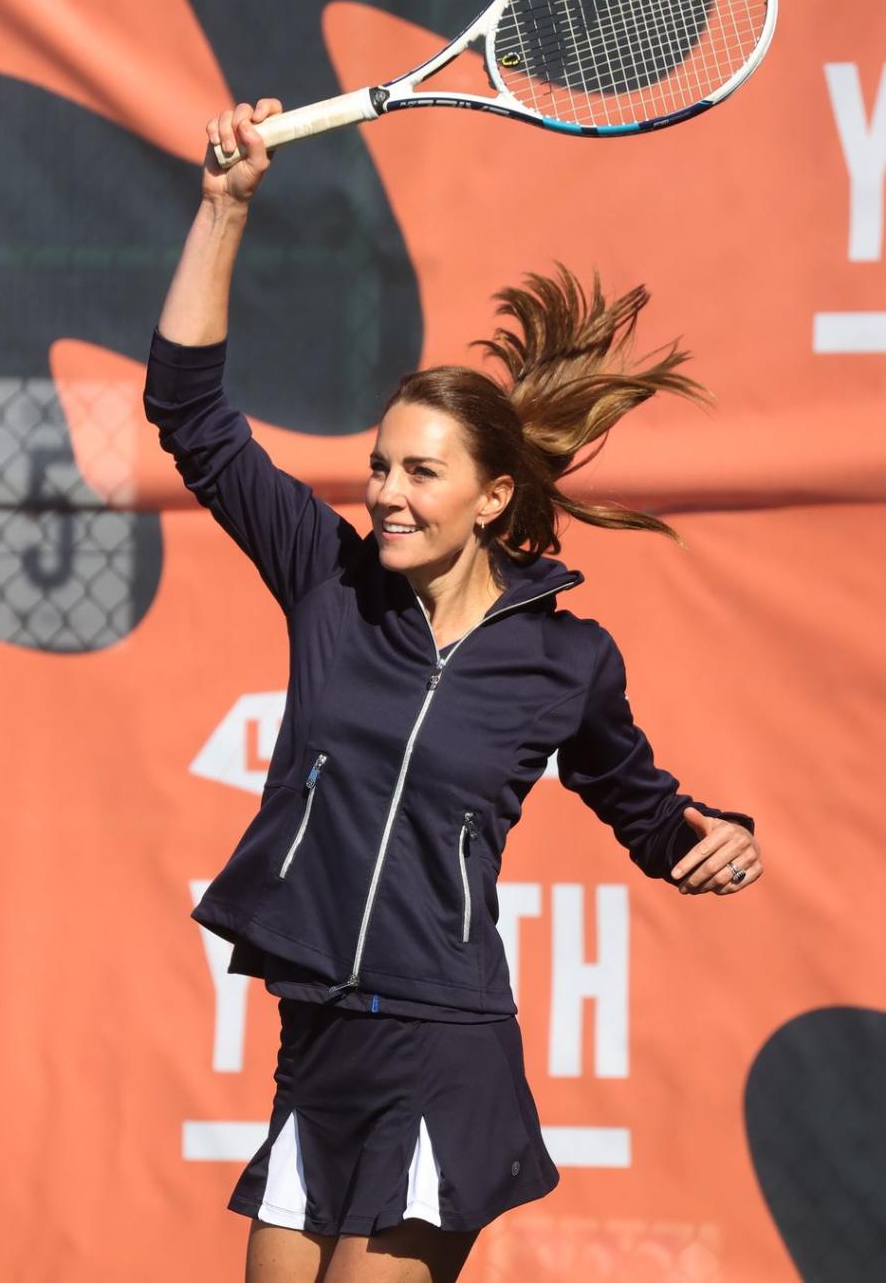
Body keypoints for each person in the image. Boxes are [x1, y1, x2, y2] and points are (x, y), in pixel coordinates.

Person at [144, 100, 763, 1283]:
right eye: (379, 465)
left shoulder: (565, 659)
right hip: (315, 1036)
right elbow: (188, 410)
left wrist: (713, 837)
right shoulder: (329, 582)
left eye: (420, 472)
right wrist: (226, 206)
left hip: (445, 1047)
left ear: (489, 498)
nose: (385, 491)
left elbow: (647, 811)